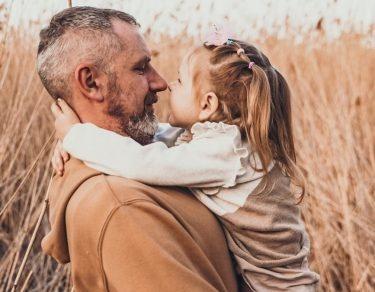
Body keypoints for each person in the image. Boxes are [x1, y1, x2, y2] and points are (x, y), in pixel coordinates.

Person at [51, 28, 320, 291]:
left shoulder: (225, 153)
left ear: (207, 105)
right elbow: (160, 138)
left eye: (180, 81)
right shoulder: (219, 141)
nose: (168, 85)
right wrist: (81, 140)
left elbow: (143, 162)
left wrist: (76, 135)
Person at [38, 6, 240, 292]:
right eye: (141, 67)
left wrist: (77, 138)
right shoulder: (123, 207)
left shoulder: (128, 158)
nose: (159, 82)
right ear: (91, 82)